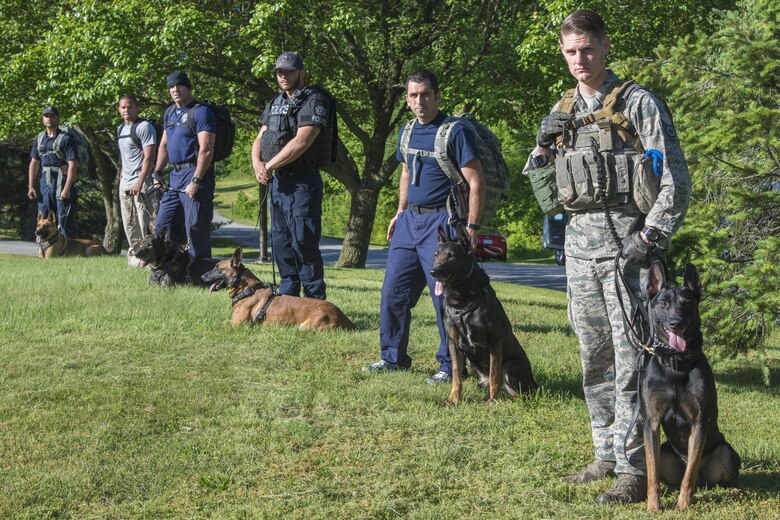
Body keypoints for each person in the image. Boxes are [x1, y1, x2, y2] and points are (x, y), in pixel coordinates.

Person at [525, 10, 691, 504]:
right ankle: (605, 453)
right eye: (572, 51)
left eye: (589, 50)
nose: (581, 60)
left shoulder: (638, 103)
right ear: (563, 52)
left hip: (629, 253)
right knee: (592, 357)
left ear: (605, 47)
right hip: (579, 251)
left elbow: (676, 181)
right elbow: (546, 190)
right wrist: (540, 147)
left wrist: (651, 239)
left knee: (631, 363)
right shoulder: (563, 110)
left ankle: (635, 468)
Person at [362, 69, 485, 384]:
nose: (420, 101)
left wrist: (471, 227)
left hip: (441, 224)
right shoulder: (406, 131)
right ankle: (392, 358)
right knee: (393, 294)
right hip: (409, 222)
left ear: (437, 96)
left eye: (426, 94)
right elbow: (405, 172)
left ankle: (450, 366)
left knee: (442, 297)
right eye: (413, 95)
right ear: (407, 98)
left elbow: (475, 180)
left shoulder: (454, 131)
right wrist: (399, 212)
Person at [251, 51, 333, 300]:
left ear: (302, 72)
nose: (283, 76)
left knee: (303, 242)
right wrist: (257, 164)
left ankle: (314, 301)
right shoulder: (275, 102)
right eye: (279, 72)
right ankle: (287, 300)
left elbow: (302, 141)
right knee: (282, 243)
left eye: (288, 71)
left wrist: (268, 165)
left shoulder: (316, 99)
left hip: (302, 183)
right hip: (278, 183)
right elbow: (261, 136)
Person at [152, 70, 216, 259]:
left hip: (194, 173)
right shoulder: (170, 112)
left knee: (195, 227)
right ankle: (168, 268)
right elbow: (164, 143)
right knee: (163, 225)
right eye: (171, 86)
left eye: (180, 85)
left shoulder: (202, 112)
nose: (175, 89)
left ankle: (201, 273)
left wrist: (196, 180)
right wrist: (157, 172)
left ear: (188, 87)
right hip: (174, 176)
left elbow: (207, 148)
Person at [116, 95, 159, 267]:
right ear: (119, 109)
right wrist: (121, 174)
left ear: (137, 107)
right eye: (123, 107)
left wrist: (140, 180)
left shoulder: (144, 127)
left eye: (130, 107)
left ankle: (150, 259)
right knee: (129, 222)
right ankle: (135, 258)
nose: (126, 110)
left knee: (145, 223)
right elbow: (124, 155)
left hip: (142, 183)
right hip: (125, 183)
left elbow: (149, 157)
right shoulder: (120, 129)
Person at [28, 106, 79, 238]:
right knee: (43, 215)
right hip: (45, 182)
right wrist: (31, 186)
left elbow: (73, 165)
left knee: (64, 216)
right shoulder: (39, 139)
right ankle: (43, 249)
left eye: (52, 116)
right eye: (46, 116)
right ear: (42, 119)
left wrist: (67, 188)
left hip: (61, 180)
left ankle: (66, 252)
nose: (49, 119)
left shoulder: (66, 139)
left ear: (58, 118)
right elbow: (34, 163)